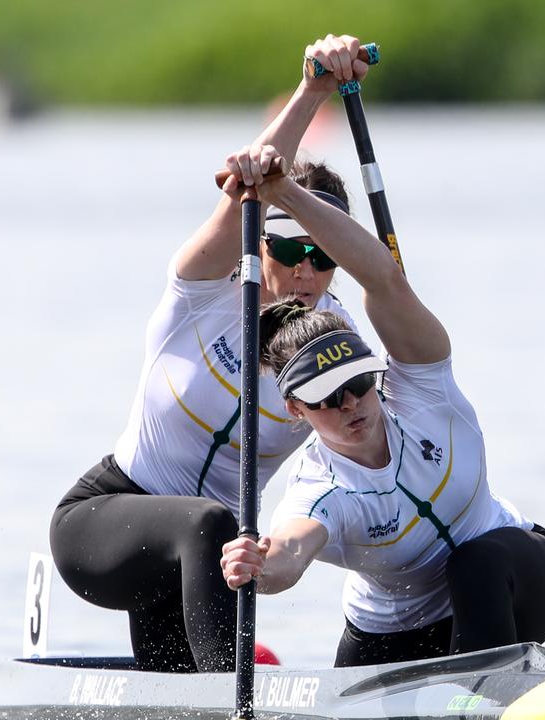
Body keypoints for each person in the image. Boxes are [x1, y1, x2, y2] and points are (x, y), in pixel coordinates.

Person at [49, 35, 373, 673]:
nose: (307, 272)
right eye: (288, 251)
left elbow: (370, 454)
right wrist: (313, 88)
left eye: (325, 256)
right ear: (260, 245)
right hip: (104, 522)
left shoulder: (333, 340)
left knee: (175, 681)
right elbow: (247, 186)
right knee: (212, 523)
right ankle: (230, 705)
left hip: (201, 566)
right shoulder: (201, 289)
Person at [219, 149, 545, 668]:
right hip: (390, 632)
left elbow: (384, 281)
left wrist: (283, 194)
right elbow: (290, 553)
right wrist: (258, 566)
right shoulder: (322, 490)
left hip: (515, 580)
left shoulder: (425, 390)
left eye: (358, 384)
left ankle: (481, 695)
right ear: (295, 410)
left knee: (474, 564)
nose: (351, 405)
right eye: (327, 398)